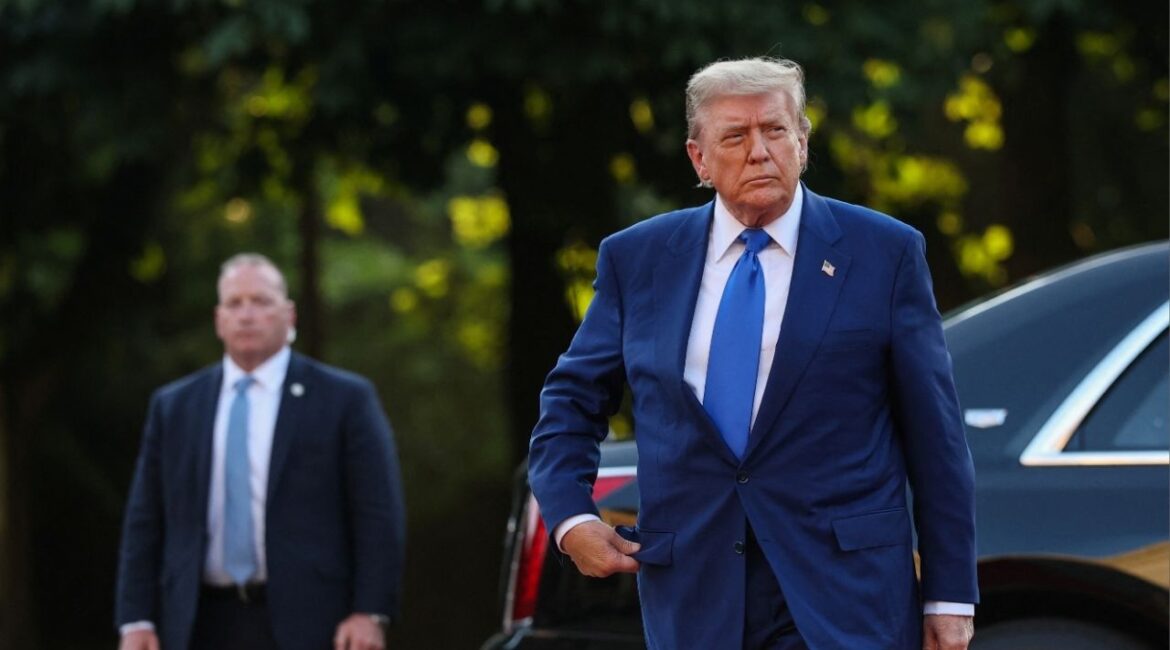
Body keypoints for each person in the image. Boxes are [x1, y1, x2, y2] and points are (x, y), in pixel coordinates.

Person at [528, 57, 978, 650]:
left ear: (803, 142)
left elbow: (936, 436)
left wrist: (949, 596)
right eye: (735, 137)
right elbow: (569, 402)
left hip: (844, 595)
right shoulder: (638, 260)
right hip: (695, 592)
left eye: (775, 131)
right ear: (699, 159)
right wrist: (571, 519)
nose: (759, 151)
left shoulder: (884, 253)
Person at [115, 253, 405, 650]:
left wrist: (370, 611)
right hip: (195, 621)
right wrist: (136, 618)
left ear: (289, 316)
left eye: (261, 301)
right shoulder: (175, 406)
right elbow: (145, 518)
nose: (246, 314)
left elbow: (377, 514)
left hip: (313, 621)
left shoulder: (344, 399)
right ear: (219, 319)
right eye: (234, 303)